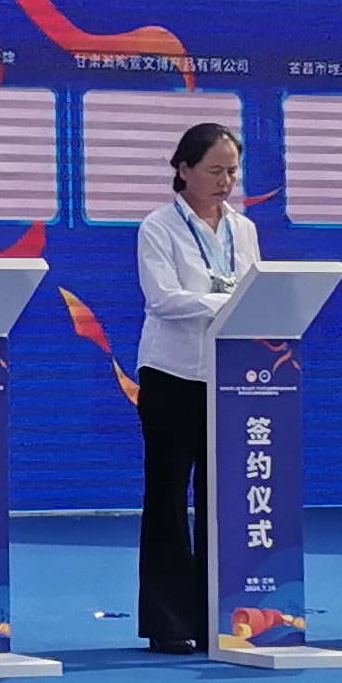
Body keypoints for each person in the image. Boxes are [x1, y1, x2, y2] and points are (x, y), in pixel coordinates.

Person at [133, 119, 253, 654]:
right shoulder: (158, 226)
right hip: (172, 372)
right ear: (183, 170)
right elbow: (163, 298)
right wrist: (229, 302)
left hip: (227, 375)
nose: (226, 181)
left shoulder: (243, 229)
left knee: (221, 495)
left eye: (233, 171)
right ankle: (168, 619)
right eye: (215, 170)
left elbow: (257, 289)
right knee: (166, 493)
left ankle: (218, 614)